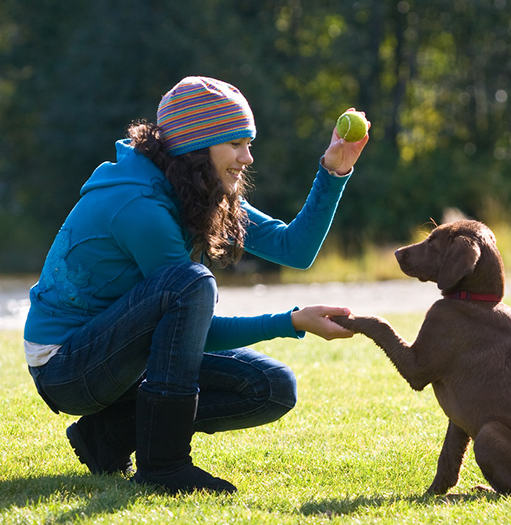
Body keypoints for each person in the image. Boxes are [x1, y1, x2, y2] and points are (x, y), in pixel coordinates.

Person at [23, 76, 369, 495]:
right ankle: (164, 465)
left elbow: (292, 249)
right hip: (66, 366)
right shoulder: (140, 206)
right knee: (190, 283)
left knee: (272, 388)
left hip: (122, 358)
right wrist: (290, 321)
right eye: (236, 143)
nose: (248, 157)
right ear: (196, 147)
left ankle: (108, 435)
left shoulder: (195, 187)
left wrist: (335, 170)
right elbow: (196, 325)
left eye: (248, 142)